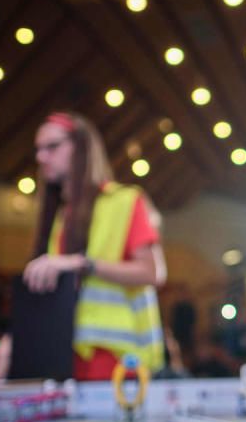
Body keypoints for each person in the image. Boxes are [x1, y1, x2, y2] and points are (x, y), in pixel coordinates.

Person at [17, 112, 167, 380]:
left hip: (118, 360)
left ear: (81, 147)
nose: (41, 158)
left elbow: (153, 272)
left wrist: (81, 262)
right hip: (66, 355)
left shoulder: (125, 201)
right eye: (38, 150)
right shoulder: (59, 217)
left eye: (52, 147)